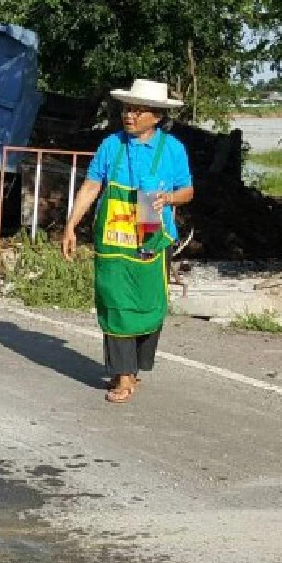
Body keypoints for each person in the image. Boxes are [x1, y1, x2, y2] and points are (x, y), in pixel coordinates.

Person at [62, 78, 194, 403]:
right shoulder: (111, 145)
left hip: (153, 228)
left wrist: (169, 199)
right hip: (114, 234)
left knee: (149, 304)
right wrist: (70, 225)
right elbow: (92, 186)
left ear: (157, 116)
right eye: (126, 109)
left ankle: (134, 368)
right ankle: (122, 375)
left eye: (137, 110)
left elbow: (188, 191)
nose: (129, 115)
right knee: (115, 302)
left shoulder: (172, 149)